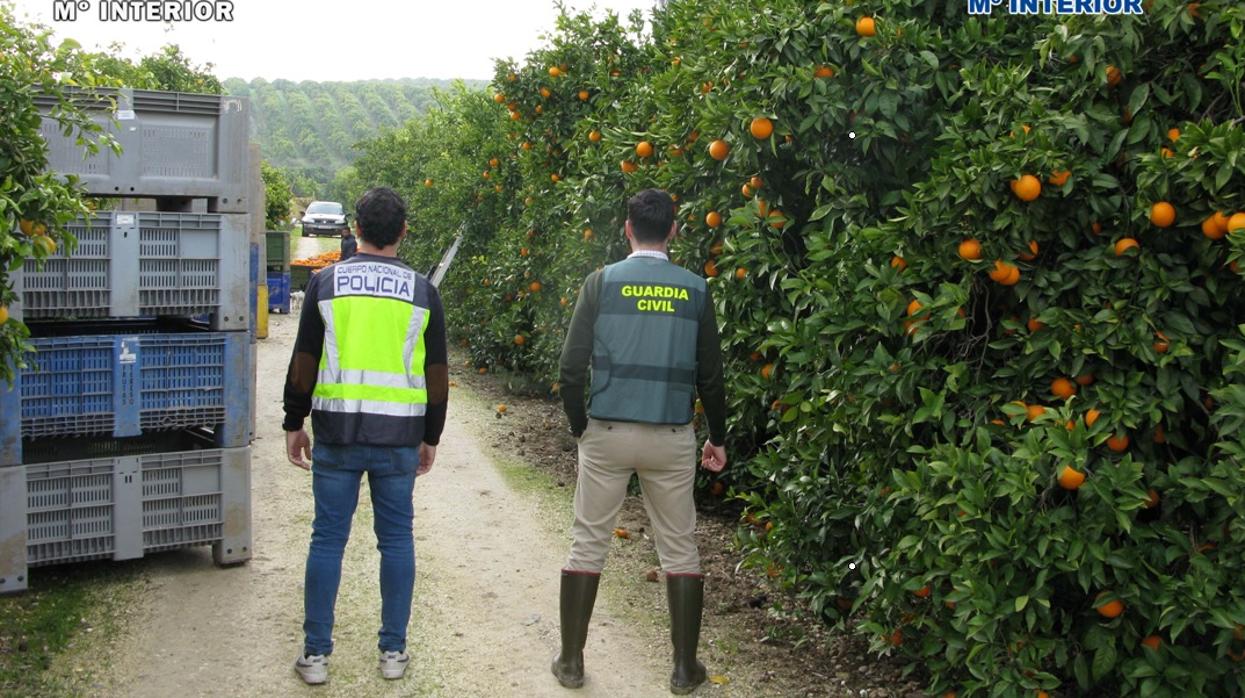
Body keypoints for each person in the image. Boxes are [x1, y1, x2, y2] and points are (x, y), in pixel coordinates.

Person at [553, 188, 728, 694]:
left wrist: (578, 424)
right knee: (679, 549)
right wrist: (717, 437)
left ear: (626, 229)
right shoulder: (695, 290)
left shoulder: (601, 282)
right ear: (673, 231)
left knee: (588, 542)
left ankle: (570, 663)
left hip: (606, 432)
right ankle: (682, 669)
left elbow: (570, 366)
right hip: (671, 438)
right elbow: (711, 378)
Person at [282, 186, 448, 685]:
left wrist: (294, 422)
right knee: (396, 540)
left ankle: (315, 656)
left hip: (337, 432)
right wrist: (431, 435)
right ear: (402, 232)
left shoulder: (326, 283)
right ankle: (393, 652)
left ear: (355, 229)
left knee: (328, 538)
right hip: (399, 437)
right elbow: (437, 373)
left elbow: (304, 361)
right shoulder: (423, 291)